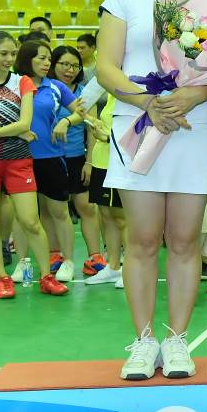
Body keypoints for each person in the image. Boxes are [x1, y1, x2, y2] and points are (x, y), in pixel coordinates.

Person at [97, 0, 207, 380]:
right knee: (142, 239)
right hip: (138, 127)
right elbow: (106, 66)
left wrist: (192, 97)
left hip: (192, 131)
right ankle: (142, 341)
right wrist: (148, 102)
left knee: (185, 240)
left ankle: (176, 341)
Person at [0, 31, 63, 300]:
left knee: (31, 221)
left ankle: (46, 277)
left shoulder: (23, 82)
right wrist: (14, 130)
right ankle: (3, 278)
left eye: (13, 54)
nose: (9, 59)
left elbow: (24, 124)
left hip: (18, 160)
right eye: (3, 53)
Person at [19, 40, 81, 285]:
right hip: (18, 158)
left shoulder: (55, 86)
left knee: (59, 212)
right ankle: (23, 263)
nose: (47, 63)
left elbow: (80, 111)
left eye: (48, 59)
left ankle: (68, 261)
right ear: (27, 59)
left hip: (51, 158)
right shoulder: (14, 85)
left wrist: (66, 121)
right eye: (41, 58)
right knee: (22, 216)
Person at [50, 45, 105, 278]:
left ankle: (94, 257)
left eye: (75, 65)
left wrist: (89, 162)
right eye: (64, 64)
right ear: (53, 65)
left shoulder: (85, 93)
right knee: (53, 210)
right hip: (50, 158)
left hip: (76, 158)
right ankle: (55, 255)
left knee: (86, 207)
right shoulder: (46, 90)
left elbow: (92, 130)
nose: (70, 70)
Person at [81, 89, 125, 287]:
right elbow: (107, 125)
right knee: (106, 215)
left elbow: (135, 132)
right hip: (101, 160)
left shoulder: (130, 94)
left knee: (122, 218)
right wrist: (93, 121)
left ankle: (130, 268)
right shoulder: (110, 95)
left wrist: (107, 137)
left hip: (118, 163)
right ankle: (113, 267)